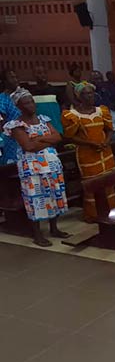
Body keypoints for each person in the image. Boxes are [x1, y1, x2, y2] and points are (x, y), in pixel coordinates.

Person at [3, 88, 69, 247]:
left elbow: (57, 137)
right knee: (35, 199)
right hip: (32, 168)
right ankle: (37, 234)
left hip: (52, 165)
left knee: (54, 195)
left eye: (31, 101)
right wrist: (46, 139)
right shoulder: (16, 125)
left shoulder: (43, 119)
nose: (31, 105)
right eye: (26, 103)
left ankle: (54, 228)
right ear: (18, 106)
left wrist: (37, 139)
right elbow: (28, 146)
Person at [62, 82, 115, 222]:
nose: (90, 96)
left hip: (104, 151)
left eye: (91, 93)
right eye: (86, 94)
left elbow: (109, 129)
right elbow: (70, 137)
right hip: (87, 153)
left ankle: (110, 210)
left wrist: (106, 141)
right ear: (79, 96)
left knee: (108, 181)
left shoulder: (101, 111)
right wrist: (90, 143)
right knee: (91, 183)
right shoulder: (72, 115)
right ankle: (93, 214)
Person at [30, 65, 64, 134]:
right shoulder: (31, 94)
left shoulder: (56, 91)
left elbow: (63, 109)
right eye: (39, 73)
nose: (42, 75)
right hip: (39, 131)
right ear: (34, 75)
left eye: (44, 72)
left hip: (56, 129)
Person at [0, 69, 22, 165]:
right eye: (12, 78)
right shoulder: (2, 99)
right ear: (5, 81)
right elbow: (1, 123)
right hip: (10, 141)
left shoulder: (22, 95)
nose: (16, 80)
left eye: (16, 77)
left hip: (25, 137)